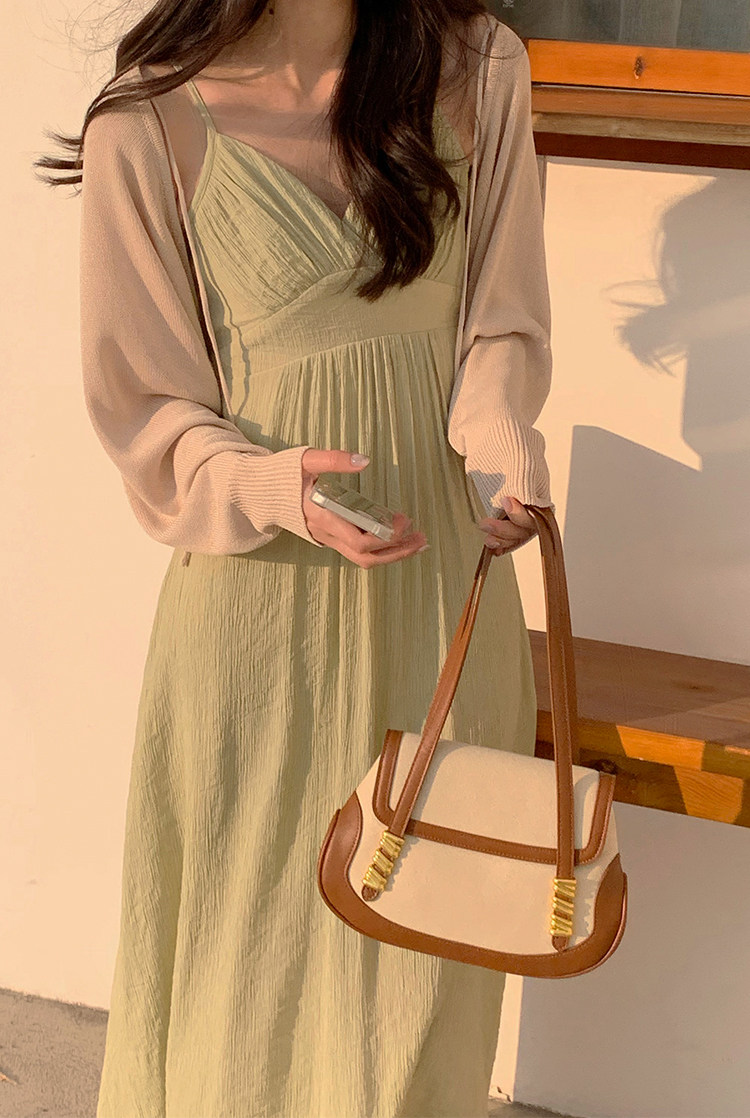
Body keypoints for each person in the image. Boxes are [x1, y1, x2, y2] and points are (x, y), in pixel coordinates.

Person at [37, 1, 555, 1113]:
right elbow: (145, 408)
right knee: (242, 995)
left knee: (422, 994)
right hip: (257, 622)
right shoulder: (148, 123)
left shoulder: (480, 68)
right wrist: (276, 489)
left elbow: (501, 318)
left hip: (441, 604)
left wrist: (499, 449)